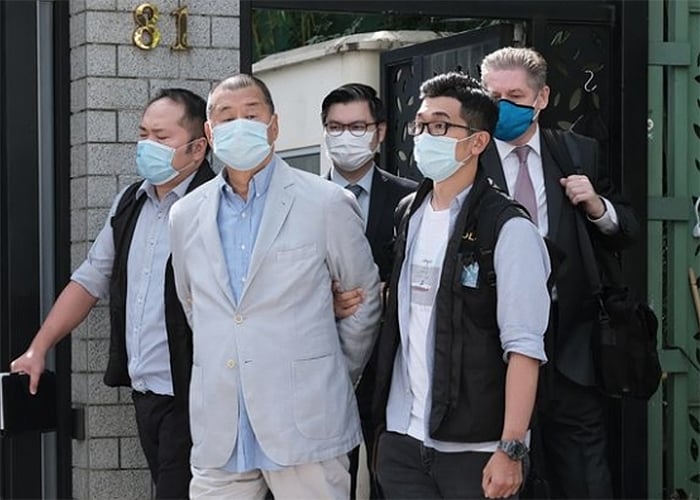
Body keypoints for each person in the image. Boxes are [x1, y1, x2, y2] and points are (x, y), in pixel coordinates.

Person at [168, 73, 381, 499]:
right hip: (222, 425)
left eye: (251, 114)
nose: (239, 124)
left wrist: (328, 372)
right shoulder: (186, 214)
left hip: (307, 420)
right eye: (226, 117)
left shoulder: (325, 203)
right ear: (209, 132)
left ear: (274, 125)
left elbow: (363, 300)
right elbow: (194, 305)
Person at [10, 88, 214, 499]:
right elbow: (90, 280)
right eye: (143, 134)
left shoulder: (218, 202)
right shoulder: (130, 203)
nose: (147, 145)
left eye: (162, 137)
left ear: (198, 148)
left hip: (200, 394)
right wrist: (38, 348)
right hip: (147, 393)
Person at [372, 72, 552, 499]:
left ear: (477, 142)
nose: (424, 137)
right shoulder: (409, 213)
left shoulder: (507, 228)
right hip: (402, 440)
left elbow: (524, 347)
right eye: (420, 125)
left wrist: (511, 447)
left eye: (440, 126)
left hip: (477, 448)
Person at [479, 46, 640, 498]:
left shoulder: (575, 151)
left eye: (515, 96)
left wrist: (596, 205)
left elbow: (625, 230)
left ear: (542, 97)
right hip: (494, 350)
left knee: (585, 477)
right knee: (502, 475)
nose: (503, 107)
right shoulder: (468, 157)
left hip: (571, 347)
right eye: (493, 97)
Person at [321, 82, 417, 499]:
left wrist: (388, 294)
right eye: (335, 127)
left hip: (393, 362)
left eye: (357, 127)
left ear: (379, 132)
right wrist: (324, 298)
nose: (345, 136)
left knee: (389, 479)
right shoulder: (304, 199)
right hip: (326, 362)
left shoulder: (412, 199)